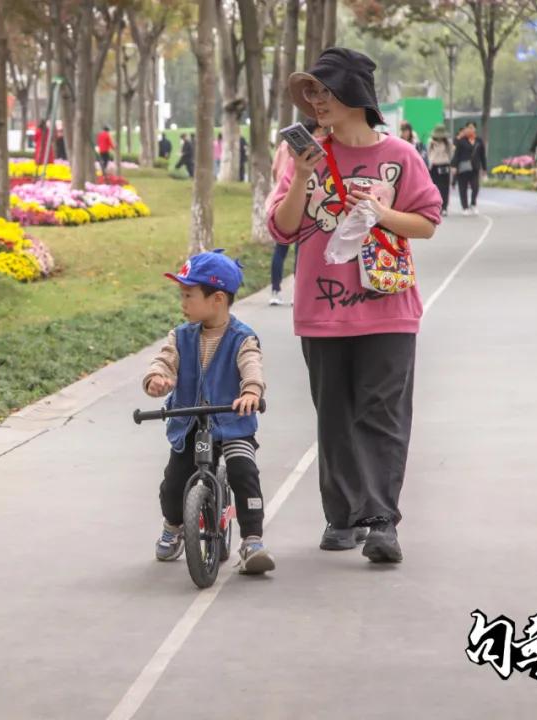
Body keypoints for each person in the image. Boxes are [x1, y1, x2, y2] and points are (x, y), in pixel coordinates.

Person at [269, 47, 442, 563]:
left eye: (324, 90)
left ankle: (382, 520)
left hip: (389, 304)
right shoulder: (301, 154)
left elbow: (428, 223)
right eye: (311, 92)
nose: (316, 101)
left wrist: (382, 212)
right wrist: (302, 174)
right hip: (321, 309)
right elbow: (282, 227)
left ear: (355, 95)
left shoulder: (400, 156)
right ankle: (341, 515)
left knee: (383, 412)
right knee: (334, 416)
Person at [143, 249, 275, 574]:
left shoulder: (241, 338)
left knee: (244, 473)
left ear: (217, 299)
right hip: (191, 425)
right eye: (182, 295)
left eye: (189, 295)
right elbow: (164, 360)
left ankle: (252, 541)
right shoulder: (181, 336)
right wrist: (157, 379)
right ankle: (174, 526)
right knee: (174, 483)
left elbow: (251, 366)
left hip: (232, 424)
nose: (183, 303)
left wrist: (251, 392)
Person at [267, 119, 328, 306]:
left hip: (282, 198)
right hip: (299, 198)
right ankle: (297, 290)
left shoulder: (284, 145)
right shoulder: (314, 150)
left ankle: (275, 290)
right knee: (299, 250)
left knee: (280, 250)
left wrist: (278, 185)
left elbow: (275, 169)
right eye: (321, 130)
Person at [451, 122, 487, 215]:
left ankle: (473, 203)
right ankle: (465, 207)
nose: (470, 129)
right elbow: (456, 155)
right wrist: (454, 166)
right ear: (465, 129)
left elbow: (482, 155)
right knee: (462, 188)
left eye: (472, 128)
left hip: (474, 168)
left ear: (475, 129)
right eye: (468, 128)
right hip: (462, 168)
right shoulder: (461, 140)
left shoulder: (479, 141)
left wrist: (484, 168)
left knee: (475, 187)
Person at [427, 125, 452, 216]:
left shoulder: (447, 142)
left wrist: (449, 162)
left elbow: (450, 153)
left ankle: (444, 207)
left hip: (444, 166)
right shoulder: (431, 142)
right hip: (434, 166)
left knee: (445, 188)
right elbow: (428, 153)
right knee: (435, 188)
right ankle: (436, 207)